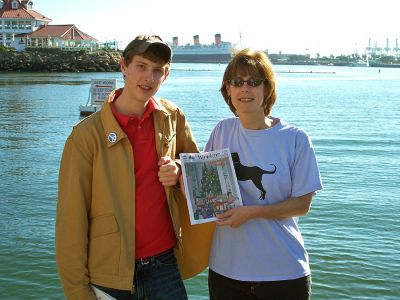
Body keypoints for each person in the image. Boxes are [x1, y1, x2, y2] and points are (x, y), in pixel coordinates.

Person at [56, 35, 214, 300]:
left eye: (157, 70)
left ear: (167, 74)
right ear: (123, 67)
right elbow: (71, 219)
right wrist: (77, 291)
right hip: (108, 275)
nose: (149, 77)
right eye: (141, 66)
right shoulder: (85, 135)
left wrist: (178, 170)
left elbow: (197, 173)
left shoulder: (173, 117)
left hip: (165, 266)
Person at [204, 48, 323, 300]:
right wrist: (177, 171)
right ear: (228, 89)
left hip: (284, 274)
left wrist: (252, 213)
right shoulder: (222, 131)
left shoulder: (295, 139)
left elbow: (302, 205)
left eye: (253, 82)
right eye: (237, 82)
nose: (244, 89)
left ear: (267, 88)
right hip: (226, 272)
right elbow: (206, 188)